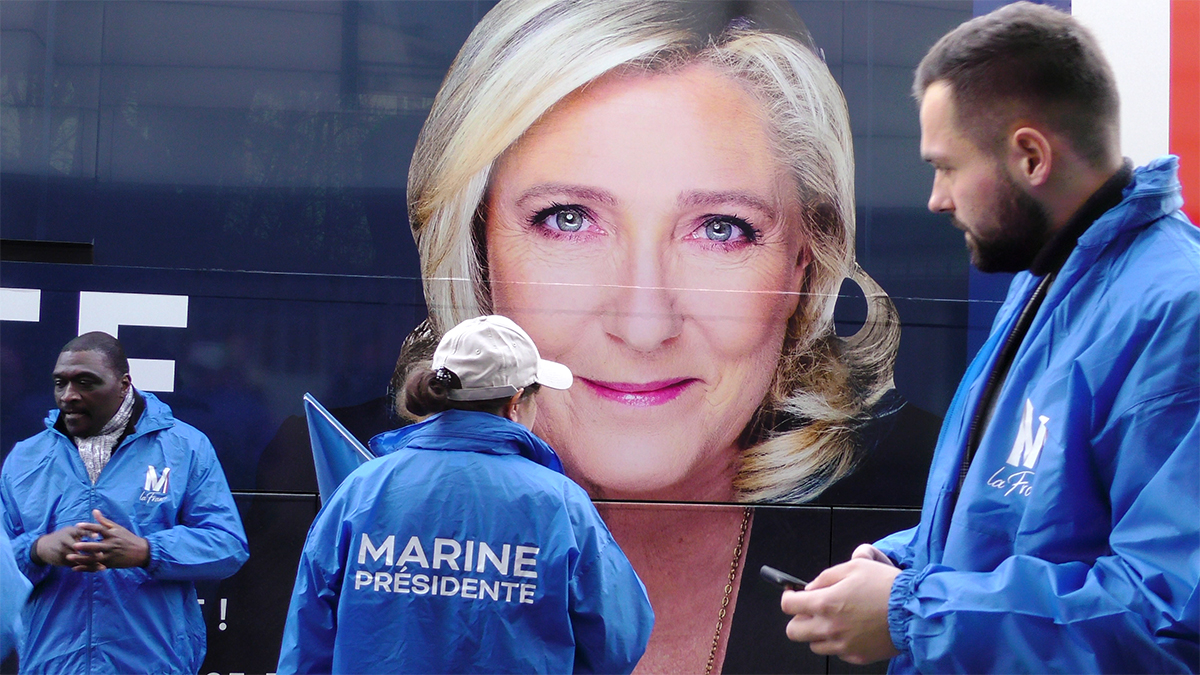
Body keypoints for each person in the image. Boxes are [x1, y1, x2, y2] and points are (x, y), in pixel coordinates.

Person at [396, 2, 938, 671]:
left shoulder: (941, 503)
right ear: (477, 245)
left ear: (808, 255)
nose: (645, 324)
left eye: (720, 227)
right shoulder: (343, 479)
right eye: (568, 219)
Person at [780, 3, 1200, 672]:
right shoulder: (1050, 284)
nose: (936, 199)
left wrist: (911, 611)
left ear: (1030, 155)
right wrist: (903, 562)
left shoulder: (1177, 311)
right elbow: (1028, 524)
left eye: (946, 166)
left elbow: (1168, 615)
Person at [276, 315, 653, 674]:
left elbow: (307, 641)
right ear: (515, 404)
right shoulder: (560, 506)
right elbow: (619, 641)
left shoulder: (362, 490)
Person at [0, 331, 250, 674]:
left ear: (124, 384)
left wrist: (146, 551)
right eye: (61, 383)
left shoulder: (185, 447)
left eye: (86, 382)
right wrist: (37, 549)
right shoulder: (25, 459)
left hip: (151, 664)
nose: (69, 395)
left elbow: (228, 545)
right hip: (51, 664)